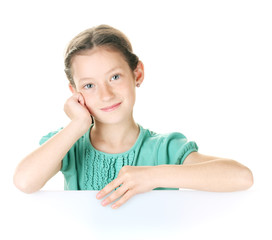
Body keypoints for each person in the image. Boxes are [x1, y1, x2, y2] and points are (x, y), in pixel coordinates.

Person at [13, 24, 254, 209]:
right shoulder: (70, 144)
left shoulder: (164, 149)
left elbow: (241, 177)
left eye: (114, 77)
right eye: (89, 85)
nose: (106, 95)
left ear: (137, 73)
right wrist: (78, 124)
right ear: (74, 92)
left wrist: (154, 175)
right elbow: (25, 182)